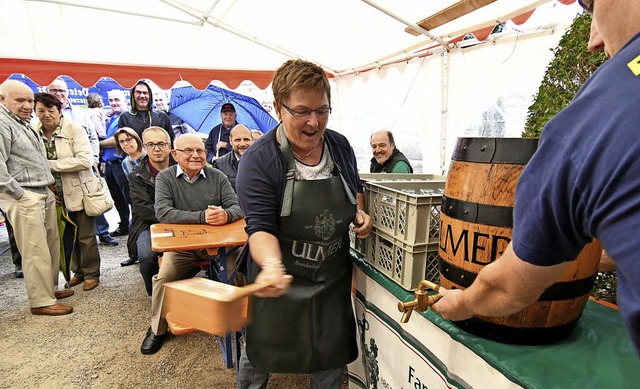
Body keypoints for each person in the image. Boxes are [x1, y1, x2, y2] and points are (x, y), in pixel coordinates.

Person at [432, 0, 640, 356]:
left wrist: (462, 303)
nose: (592, 41)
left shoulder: (599, 113)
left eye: (590, 6)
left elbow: (509, 287)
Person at [235, 59, 373, 388]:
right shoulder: (259, 161)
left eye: (322, 110)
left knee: (330, 353)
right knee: (260, 353)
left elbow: (354, 190)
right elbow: (260, 228)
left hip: (330, 276)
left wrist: (358, 214)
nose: (314, 121)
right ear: (278, 108)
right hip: (279, 275)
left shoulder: (339, 146)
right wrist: (270, 265)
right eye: (302, 111)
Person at [140, 133, 243, 354]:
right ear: (175, 154)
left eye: (200, 151)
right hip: (182, 248)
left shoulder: (218, 176)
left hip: (218, 247)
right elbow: (163, 212)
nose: (196, 155)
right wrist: (201, 217)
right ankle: (157, 329)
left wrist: (226, 214)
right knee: (164, 278)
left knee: (240, 270)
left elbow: (238, 207)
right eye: (189, 151)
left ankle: (243, 325)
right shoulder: (165, 178)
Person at [0, 80, 73, 315]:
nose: (27, 105)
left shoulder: (21, 122)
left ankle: (49, 290)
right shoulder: (2, 123)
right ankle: (41, 300)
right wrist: (20, 194)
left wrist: (48, 187)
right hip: (24, 194)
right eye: (19, 100)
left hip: (41, 191)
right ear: (2, 100)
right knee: (35, 249)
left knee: (50, 245)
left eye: (30, 100)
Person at [35, 92, 102, 291]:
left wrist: (50, 165)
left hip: (78, 189)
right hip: (52, 192)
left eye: (50, 110)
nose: (46, 114)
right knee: (66, 234)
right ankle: (77, 271)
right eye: (41, 110)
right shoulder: (34, 131)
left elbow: (85, 160)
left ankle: (91, 273)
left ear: (59, 110)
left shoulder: (74, 130)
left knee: (85, 234)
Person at [126, 126, 173, 291]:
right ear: (144, 148)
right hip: (149, 225)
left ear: (169, 146)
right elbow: (143, 209)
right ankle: (154, 293)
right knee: (147, 256)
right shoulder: (136, 176)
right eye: (151, 144)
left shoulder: (183, 168)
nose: (157, 149)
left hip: (183, 221)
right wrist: (175, 216)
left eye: (161, 143)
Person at [99, 89, 132, 241]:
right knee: (117, 198)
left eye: (117, 100)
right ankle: (124, 224)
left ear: (124, 100)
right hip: (109, 164)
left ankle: (132, 225)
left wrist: (97, 144)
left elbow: (117, 140)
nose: (114, 103)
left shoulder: (125, 118)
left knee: (128, 196)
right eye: (111, 100)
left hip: (121, 163)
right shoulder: (110, 118)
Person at [46, 78, 100, 164]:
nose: (58, 94)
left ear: (67, 92)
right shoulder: (38, 115)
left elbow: (93, 138)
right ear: (47, 92)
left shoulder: (81, 114)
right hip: (52, 167)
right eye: (53, 90)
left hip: (81, 167)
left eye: (61, 90)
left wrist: (93, 161)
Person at [213, 124, 253, 192]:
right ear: (230, 141)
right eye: (238, 140)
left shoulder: (263, 162)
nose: (242, 144)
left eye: (246, 139)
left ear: (252, 140)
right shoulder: (219, 164)